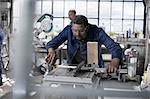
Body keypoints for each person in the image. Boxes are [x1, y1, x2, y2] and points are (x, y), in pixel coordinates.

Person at [46, 15, 122, 73]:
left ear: (87, 28)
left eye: (81, 31)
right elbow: (52, 43)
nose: (77, 34)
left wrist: (115, 61)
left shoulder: (97, 32)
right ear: (72, 28)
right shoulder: (68, 30)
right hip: (72, 67)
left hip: (94, 68)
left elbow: (115, 47)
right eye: (75, 31)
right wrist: (51, 50)